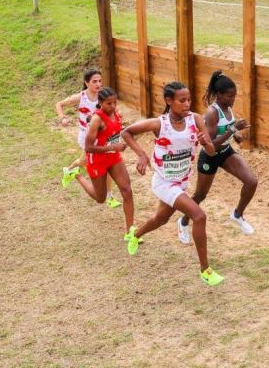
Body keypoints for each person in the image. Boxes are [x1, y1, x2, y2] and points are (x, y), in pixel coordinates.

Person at [121, 82, 223, 286]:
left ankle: (135, 234)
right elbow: (126, 132)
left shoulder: (195, 119)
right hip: (164, 182)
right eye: (182, 100)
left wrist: (207, 143)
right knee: (199, 216)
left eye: (189, 100)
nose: (187, 104)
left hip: (182, 181)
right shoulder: (159, 124)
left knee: (160, 219)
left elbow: (212, 152)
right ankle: (205, 270)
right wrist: (141, 154)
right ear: (169, 101)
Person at [178, 71, 257, 243]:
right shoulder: (212, 113)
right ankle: (183, 222)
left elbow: (227, 130)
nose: (233, 99)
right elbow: (211, 144)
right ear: (219, 95)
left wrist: (235, 136)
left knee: (251, 181)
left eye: (234, 95)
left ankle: (237, 215)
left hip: (226, 153)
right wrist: (233, 130)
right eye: (229, 96)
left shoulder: (227, 107)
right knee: (200, 196)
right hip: (210, 157)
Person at [57, 69, 121, 208]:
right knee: (94, 162)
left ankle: (69, 171)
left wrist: (117, 114)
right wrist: (63, 118)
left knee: (92, 161)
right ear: (86, 83)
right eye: (94, 81)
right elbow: (59, 104)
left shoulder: (104, 96)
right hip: (87, 138)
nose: (98, 84)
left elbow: (114, 110)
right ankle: (71, 172)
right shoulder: (80, 97)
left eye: (100, 81)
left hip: (103, 137)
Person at [84, 87, 136, 239]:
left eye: (115, 102)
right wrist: (113, 146)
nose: (113, 107)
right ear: (100, 103)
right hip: (97, 160)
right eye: (108, 104)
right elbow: (88, 147)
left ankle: (130, 232)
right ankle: (76, 176)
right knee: (101, 199)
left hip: (113, 157)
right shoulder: (97, 120)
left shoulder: (116, 113)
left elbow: (115, 133)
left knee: (127, 190)